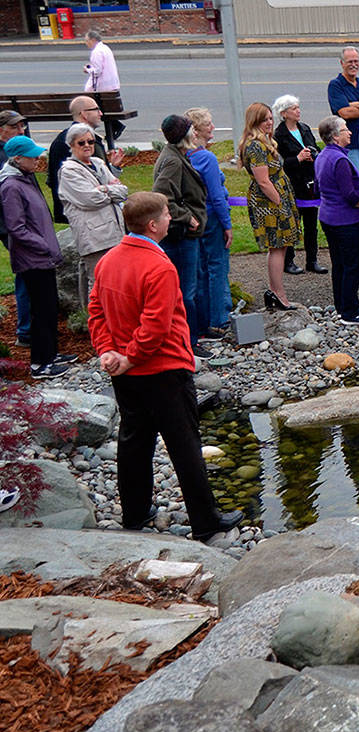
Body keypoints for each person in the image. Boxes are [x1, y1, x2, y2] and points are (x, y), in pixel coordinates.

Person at [88, 192, 245, 542]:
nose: (170, 219)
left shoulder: (108, 261)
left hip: (126, 372)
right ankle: (205, 521)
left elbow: (96, 312)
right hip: (163, 369)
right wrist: (129, 355)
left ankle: (135, 512)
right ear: (154, 225)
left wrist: (109, 352)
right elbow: (156, 325)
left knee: (134, 440)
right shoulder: (159, 266)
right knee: (184, 443)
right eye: (165, 214)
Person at [0, 136, 70, 379]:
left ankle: (51, 354)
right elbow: (16, 228)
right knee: (42, 310)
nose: (37, 159)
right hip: (33, 259)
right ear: (17, 159)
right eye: (32, 156)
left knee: (50, 308)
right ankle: (40, 364)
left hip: (42, 256)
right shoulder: (11, 186)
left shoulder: (25, 179)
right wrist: (44, 246)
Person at [152, 114, 209, 357]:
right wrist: (188, 217)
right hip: (181, 236)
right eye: (191, 130)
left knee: (190, 285)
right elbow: (162, 196)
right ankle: (189, 342)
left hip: (186, 235)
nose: (196, 133)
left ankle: (196, 333)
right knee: (186, 291)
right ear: (183, 136)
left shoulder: (176, 155)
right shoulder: (173, 161)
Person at [239, 102, 300, 311]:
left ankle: (276, 291)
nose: (269, 122)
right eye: (264, 119)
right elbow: (263, 181)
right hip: (269, 202)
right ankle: (277, 293)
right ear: (255, 122)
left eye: (270, 118)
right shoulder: (255, 145)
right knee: (277, 246)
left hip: (277, 196)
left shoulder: (265, 141)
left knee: (280, 246)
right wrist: (279, 202)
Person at [58, 122, 127, 308]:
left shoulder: (98, 162)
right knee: (97, 283)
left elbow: (123, 190)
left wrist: (105, 189)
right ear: (72, 145)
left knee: (116, 283)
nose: (87, 145)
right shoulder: (69, 171)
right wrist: (111, 190)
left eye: (91, 141)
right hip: (94, 238)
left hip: (115, 233)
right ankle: (97, 328)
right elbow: (90, 199)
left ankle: (114, 324)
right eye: (81, 143)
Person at [314, 115, 359, 324]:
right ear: (336, 136)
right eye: (346, 129)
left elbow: (317, 187)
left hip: (328, 216)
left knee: (339, 264)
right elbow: (349, 195)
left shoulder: (322, 156)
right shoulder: (340, 160)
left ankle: (342, 304)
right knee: (353, 265)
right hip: (344, 220)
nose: (350, 132)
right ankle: (350, 310)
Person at [183, 107, 233, 339]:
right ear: (197, 130)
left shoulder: (184, 156)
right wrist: (227, 224)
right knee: (217, 267)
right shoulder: (205, 158)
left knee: (200, 269)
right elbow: (216, 194)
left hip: (194, 219)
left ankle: (203, 319)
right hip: (212, 217)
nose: (213, 127)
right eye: (209, 124)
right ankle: (220, 318)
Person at [47, 94, 124, 223]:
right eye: (96, 109)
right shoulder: (71, 142)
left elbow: (98, 176)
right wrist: (110, 192)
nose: (100, 113)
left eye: (90, 142)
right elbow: (87, 190)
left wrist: (112, 168)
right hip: (84, 216)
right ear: (84, 114)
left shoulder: (81, 139)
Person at [273, 95, 325, 276]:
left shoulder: (304, 128)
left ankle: (312, 259)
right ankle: (289, 260)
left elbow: (315, 147)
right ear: (284, 113)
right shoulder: (278, 135)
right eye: (294, 108)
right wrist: (297, 159)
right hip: (292, 183)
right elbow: (279, 163)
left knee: (311, 223)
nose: (298, 111)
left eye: (298, 107)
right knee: (293, 224)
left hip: (309, 181)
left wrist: (313, 154)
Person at [0, 111, 32, 347]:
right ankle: (27, 331)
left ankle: (29, 329)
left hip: (15, 224)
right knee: (26, 274)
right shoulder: (5, 157)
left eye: (22, 126)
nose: (21, 130)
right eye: (15, 127)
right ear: (2, 130)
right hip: (11, 226)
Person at [327, 46, 359, 173]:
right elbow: (345, 113)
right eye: (350, 62)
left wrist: (357, 105)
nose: (354, 65)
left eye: (356, 61)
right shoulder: (336, 85)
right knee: (356, 181)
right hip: (351, 146)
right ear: (342, 63)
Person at [83, 29, 123, 141]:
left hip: (102, 87)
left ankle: (116, 127)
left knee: (96, 108)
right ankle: (116, 126)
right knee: (105, 108)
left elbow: (97, 71)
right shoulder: (106, 48)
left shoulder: (96, 52)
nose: (86, 43)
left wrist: (87, 70)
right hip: (111, 85)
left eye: (87, 41)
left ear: (93, 40)